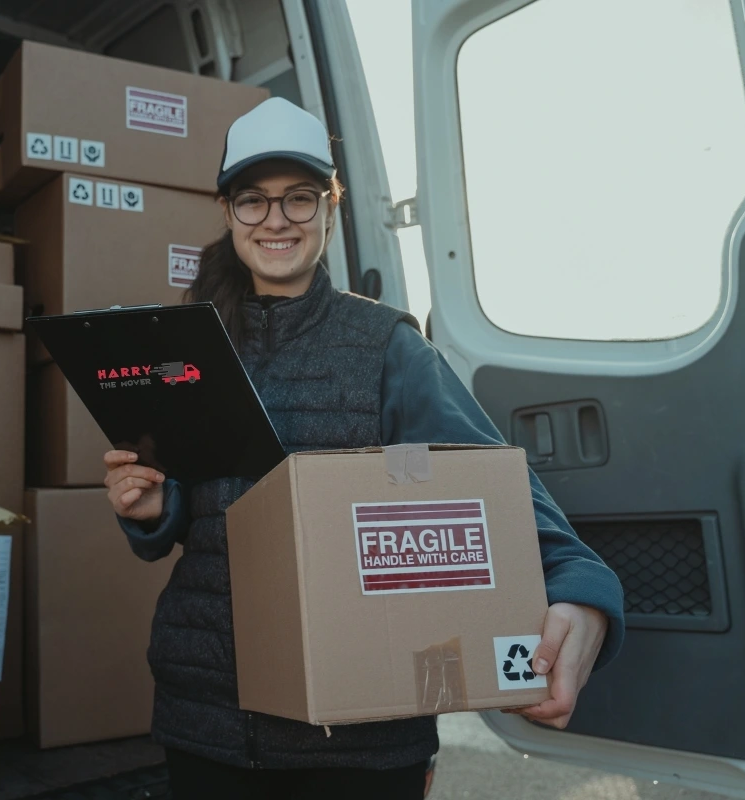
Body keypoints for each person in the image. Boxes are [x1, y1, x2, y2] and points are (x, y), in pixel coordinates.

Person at [103, 97, 625, 800]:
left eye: (299, 198)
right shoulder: (189, 349)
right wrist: (153, 509)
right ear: (228, 214)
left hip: (358, 746)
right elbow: (181, 523)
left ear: (330, 207)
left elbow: (506, 507)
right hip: (204, 721)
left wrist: (586, 599)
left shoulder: (389, 349)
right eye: (253, 201)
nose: (277, 219)